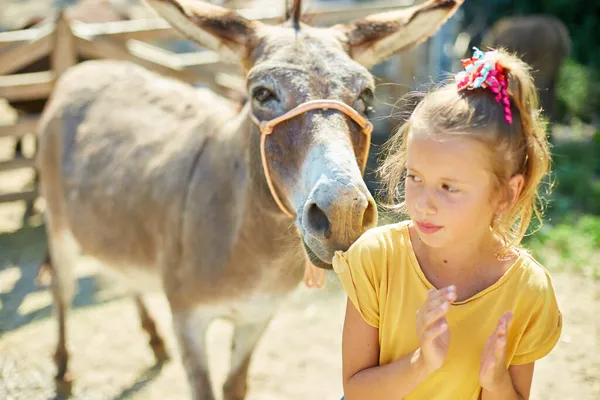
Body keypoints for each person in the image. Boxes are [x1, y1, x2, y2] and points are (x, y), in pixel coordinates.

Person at [333, 47, 562, 400]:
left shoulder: (527, 290)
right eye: (415, 177)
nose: (424, 203)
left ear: (506, 193)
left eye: (449, 187)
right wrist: (421, 363)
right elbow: (356, 390)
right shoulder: (375, 259)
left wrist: (497, 382)